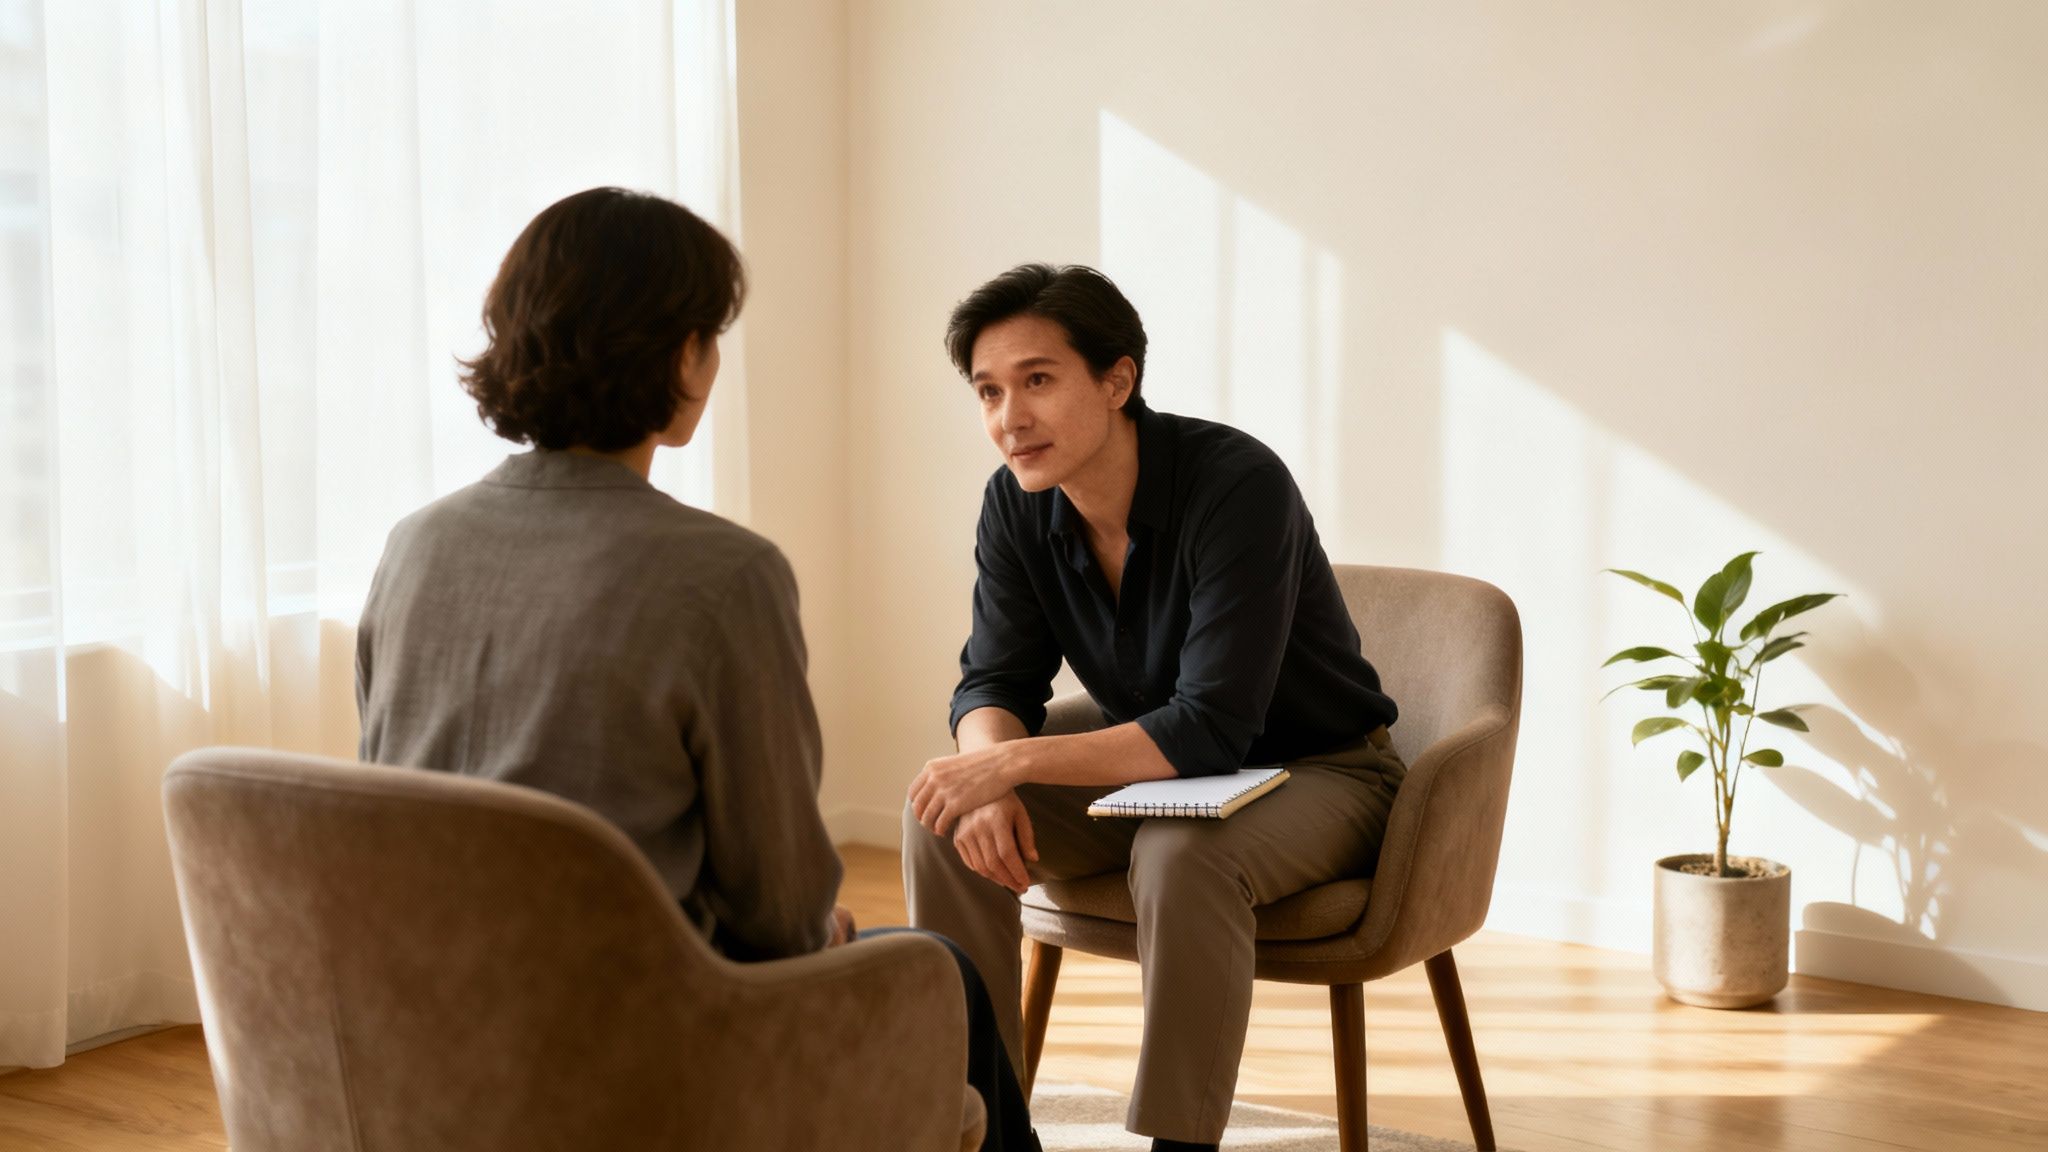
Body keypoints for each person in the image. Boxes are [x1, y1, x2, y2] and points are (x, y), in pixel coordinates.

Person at [356, 187, 1036, 1150]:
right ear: (683, 354)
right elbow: (778, 914)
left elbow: (394, 806)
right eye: (710, 338)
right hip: (640, 1051)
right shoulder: (722, 575)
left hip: (423, 1036)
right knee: (943, 971)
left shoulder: (412, 546)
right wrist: (827, 932)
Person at [903, 264, 1407, 1152]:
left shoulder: (1237, 483)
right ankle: (985, 1127)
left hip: (1321, 769)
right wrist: (982, 776)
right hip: (1152, 772)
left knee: (1183, 857)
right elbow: (992, 680)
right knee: (942, 814)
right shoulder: (1015, 505)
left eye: (1038, 380)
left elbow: (1211, 726)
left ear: (1118, 379)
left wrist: (1011, 763)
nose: (1009, 419)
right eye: (989, 391)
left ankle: (1182, 1143)